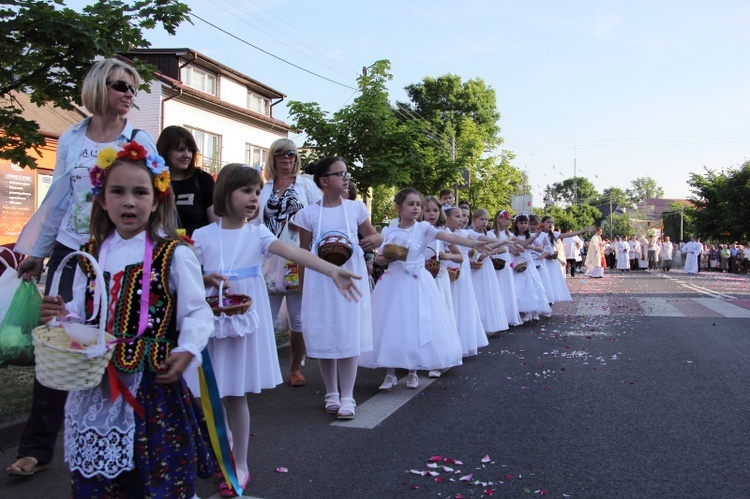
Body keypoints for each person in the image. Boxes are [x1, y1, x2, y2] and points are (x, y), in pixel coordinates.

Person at [8, 58, 157, 477]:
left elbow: (153, 197)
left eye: (133, 87)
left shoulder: (140, 138)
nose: (130, 93)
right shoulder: (72, 137)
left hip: (119, 255)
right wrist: (38, 250)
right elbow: (57, 199)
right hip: (71, 254)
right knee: (57, 345)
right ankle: (36, 448)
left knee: (117, 341)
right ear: (96, 87)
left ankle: (127, 438)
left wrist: (160, 252)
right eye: (120, 85)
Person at [38, 142, 213, 496]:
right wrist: (62, 317)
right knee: (99, 474)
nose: (129, 201)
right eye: (117, 192)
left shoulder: (173, 254)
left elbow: (197, 310)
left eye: (139, 192)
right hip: (97, 382)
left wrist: (187, 348)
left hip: (152, 383)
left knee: (153, 472)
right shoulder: (90, 254)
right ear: (102, 199)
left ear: (157, 199)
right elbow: (84, 315)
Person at [185, 164, 361, 495]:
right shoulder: (202, 235)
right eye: (246, 191)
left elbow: (297, 252)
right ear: (225, 193)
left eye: (256, 192)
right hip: (210, 320)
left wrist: (331, 270)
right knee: (210, 392)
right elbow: (187, 274)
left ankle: (240, 463)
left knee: (236, 394)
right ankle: (226, 447)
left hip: (244, 321)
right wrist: (206, 279)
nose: (254, 198)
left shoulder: (258, 234)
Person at [359, 189, 489, 391]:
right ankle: (390, 373)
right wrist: (386, 258)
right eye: (411, 204)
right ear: (398, 208)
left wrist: (474, 244)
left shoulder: (423, 228)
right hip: (393, 282)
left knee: (415, 324)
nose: (416, 208)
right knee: (391, 324)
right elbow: (381, 259)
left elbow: (449, 237)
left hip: (416, 281)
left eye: (418, 204)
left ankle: (413, 371)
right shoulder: (389, 231)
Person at [295, 157, 382, 420]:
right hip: (320, 282)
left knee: (347, 334)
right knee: (324, 333)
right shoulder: (308, 214)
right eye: (340, 173)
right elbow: (302, 254)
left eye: (346, 173)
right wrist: (302, 288)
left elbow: (375, 235)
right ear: (324, 181)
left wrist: (374, 240)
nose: (346, 178)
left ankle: (347, 395)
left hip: (349, 279)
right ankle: (330, 392)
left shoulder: (355, 209)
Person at [258, 139, 321, 387]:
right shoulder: (263, 188)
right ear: (272, 158)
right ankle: (263, 368)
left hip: (298, 258)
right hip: (267, 259)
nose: (287, 158)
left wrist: (303, 224)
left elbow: (320, 216)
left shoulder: (307, 186)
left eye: (291, 154)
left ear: (296, 158)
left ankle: (295, 368)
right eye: (281, 154)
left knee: (298, 319)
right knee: (264, 318)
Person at [156, 125, 218, 236]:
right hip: (162, 250)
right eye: (180, 150)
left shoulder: (203, 180)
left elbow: (216, 225)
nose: (187, 155)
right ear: (165, 151)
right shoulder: (154, 180)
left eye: (190, 150)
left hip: (197, 250)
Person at [510, 214, 550, 321]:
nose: (524, 226)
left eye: (525, 223)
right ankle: (524, 311)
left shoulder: (531, 236)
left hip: (529, 262)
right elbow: (518, 246)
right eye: (521, 223)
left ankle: (533, 310)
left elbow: (540, 248)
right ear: (516, 224)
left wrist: (532, 246)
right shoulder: (513, 236)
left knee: (533, 285)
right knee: (519, 286)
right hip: (518, 262)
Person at [489, 210, 522, 326]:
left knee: (507, 286)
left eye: (509, 220)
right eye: (506, 219)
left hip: (506, 262)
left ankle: (508, 315)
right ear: (499, 219)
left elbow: (515, 246)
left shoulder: (510, 235)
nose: (508, 222)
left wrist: (517, 249)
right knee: (497, 286)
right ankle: (498, 316)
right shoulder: (491, 234)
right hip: (496, 261)